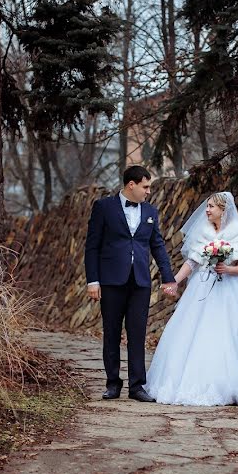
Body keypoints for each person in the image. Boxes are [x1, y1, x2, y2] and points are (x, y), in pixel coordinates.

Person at [145, 192, 238, 406]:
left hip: (230, 290)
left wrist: (228, 268)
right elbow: (192, 263)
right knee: (193, 332)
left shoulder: (236, 232)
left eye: (212, 207)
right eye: (206, 206)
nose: (207, 211)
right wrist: (174, 281)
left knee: (230, 335)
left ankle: (233, 386)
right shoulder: (203, 232)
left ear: (223, 210)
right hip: (202, 288)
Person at [84, 166, 176, 402]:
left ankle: (137, 386)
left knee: (137, 334)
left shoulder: (150, 211)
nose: (148, 191)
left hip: (140, 282)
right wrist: (92, 280)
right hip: (111, 280)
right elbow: (92, 246)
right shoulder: (104, 208)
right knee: (112, 333)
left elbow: (157, 246)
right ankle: (112, 384)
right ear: (131, 185)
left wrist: (168, 277)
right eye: (145, 186)